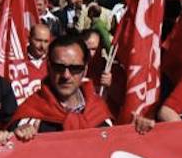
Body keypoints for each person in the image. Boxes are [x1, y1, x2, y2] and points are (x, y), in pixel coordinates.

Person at [9, 35, 154, 140]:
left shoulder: (99, 110)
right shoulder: (30, 116)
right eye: (59, 67)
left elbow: (116, 149)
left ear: (85, 70)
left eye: (75, 69)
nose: (66, 75)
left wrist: (135, 131)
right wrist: (16, 137)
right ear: (48, 67)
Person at [25, 24, 51, 101]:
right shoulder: (18, 61)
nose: (42, 46)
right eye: (38, 40)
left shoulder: (53, 61)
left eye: (46, 41)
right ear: (29, 39)